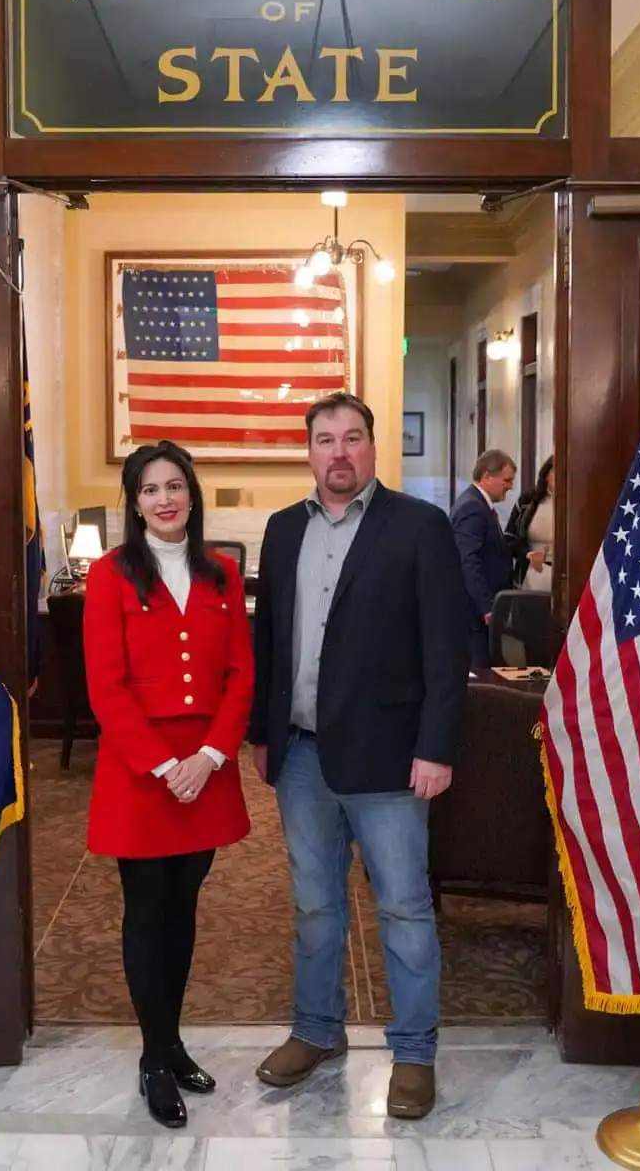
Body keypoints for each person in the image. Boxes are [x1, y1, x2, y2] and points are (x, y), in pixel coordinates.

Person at [248, 391, 472, 1120]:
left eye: (351, 438)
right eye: (323, 440)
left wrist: (436, 746)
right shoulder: (282, 531)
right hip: (303, 758)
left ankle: (413, 1052)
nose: (338, 452)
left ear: (374, 447)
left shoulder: (419, 527)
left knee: (404, 908)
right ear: (308, 451)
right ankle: (317, 1030)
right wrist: (262, 733)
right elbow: (269, 644)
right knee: (315, 905)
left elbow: (447, 648)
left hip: (392, 760)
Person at [82, 441, 253, 1130]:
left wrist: (209, 756)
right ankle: (153, 1058)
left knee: (185, 909)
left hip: (206, 767)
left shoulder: (223, 574)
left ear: (192, 493)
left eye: (174, 485)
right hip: (141, 770)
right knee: (146, 911)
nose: (164, 499)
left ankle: (172, 1041)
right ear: (134, 502)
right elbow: (106, 687)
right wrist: (163, 765)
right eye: (149, 489)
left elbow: (241, 673)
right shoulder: (109, 575)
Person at [449, 449, 517, 666]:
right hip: (474, 614)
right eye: (507, 480)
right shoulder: (472, 507)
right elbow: (467, 562)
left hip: (479, 612)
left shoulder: (478, 505)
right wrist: (487, 607)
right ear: (487, 476)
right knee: (480, 677)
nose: (511, 486)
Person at [504, 455, 554, 592]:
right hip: (531, 574)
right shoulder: (528, 501)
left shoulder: (579, 505)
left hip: (567, 578)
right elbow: (509, 538)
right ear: (546, 475)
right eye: (555, 472)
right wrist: (528, 554)